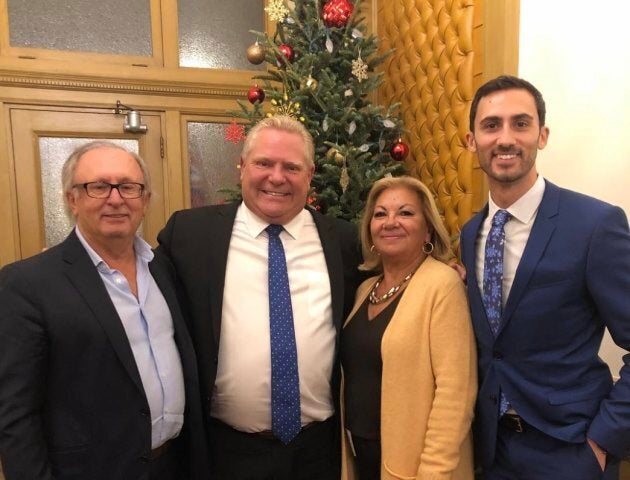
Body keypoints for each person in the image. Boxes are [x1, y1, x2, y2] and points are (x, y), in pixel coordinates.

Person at [157, 115, 363, 480]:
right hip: (226, 452)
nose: (276, 177)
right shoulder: (189, 235)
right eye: (263, 163)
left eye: (291, 167)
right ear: (242, 167)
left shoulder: (346, 242)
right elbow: (139, 286)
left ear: (310, 174)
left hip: (320, 453)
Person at [0, 141, 209, 480]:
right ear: (72, 199)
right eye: (98, 187)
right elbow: (15, 414)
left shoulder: (163, 269)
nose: (115, 199)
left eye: (128, 187)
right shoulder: (27, 284)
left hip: (173, 464)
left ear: (145, 200)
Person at [460, 75, 630, 479]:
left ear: (542, 135)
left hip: (570, 451)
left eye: (520, 123)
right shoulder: (470, 234)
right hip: (492, 449)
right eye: (490, 125)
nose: (505, 138)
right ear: (471, 141)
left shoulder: (595, 225)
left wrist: (603, 441)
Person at [340, 176, 477, 480]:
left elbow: (455, 395)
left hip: (416, 467)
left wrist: (433, 472)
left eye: (405, 213)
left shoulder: (442, 284)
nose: (390, 222)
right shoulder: (365, 289)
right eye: (380, 214)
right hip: (361, 457)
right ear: (370, 229)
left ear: (427, 227)